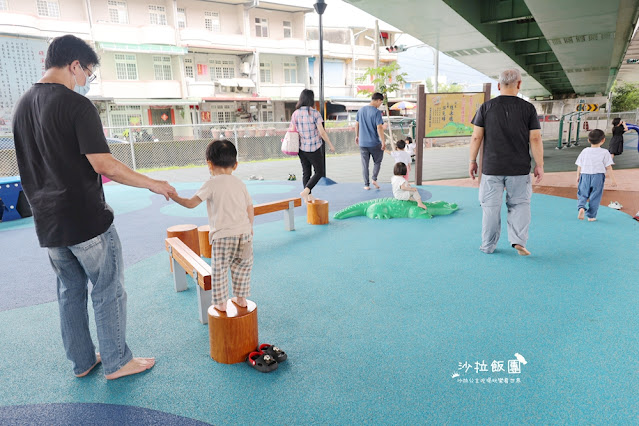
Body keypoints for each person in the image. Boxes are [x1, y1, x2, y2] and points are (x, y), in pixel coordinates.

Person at [12, 35, 174, 379]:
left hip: (48, 223)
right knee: (107, 288)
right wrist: (154, 183)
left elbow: (27, 166)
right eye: (87, 73)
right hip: (85, 220)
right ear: (74, 65)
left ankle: (83, 362)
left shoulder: (22, 106)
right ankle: (117, 361)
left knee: (70, 292)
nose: (86, 80)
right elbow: (104, 164)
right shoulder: (76, 106)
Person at [169, 140, 254, 312]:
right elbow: (249, 207)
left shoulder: (211, 183)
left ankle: (221, 303)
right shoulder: (240, 183)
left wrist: (174, 196)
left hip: (223, 236)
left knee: (220, 270)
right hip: (244, 234)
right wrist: (249, 227)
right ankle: (241, 299)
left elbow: (191, 203)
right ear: (235, 165)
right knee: (242, 266)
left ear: (209, 163)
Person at [468, 68, 544, 256]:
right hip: (519, 168)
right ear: (519, 84)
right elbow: (535, 139)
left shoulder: (486, 107)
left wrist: (472, 161)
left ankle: (488, 245)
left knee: (490, 208)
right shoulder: (528, 109)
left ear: (498, 85)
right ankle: (518, 241)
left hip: (492, 168)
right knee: (520, 205)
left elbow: (476, 137)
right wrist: (539, 165)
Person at [291, 89, 335, 203]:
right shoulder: (314, 113)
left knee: (306, 172)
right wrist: (330, 144)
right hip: (313, 148)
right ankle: (306, 191)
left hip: (301, 148)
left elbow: (292, 130)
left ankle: (308, 197)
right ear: (311, 99)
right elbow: (322, 132)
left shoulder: (295, 113)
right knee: (319, 171)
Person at [576, 129, 617, 221]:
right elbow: (609, 167)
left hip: (585, 175)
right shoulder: (605, 152)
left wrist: (578, 176)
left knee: (582, 193)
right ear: (603, 140)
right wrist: (613, 180)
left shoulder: (585, 151)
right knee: (595, 195)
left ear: (588, 140)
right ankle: (591, 216)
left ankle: (581, 207)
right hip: (598, 176)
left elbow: (580, 165)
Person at [356, 92, 386, 190]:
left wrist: (357, 136)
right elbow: (379, 128)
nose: (380, 105)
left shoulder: (361, 110)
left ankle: (366, 185)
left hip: (362, 143)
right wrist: (383, 141)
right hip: (374, 143)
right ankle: (374, 178)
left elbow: (356, 124)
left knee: (365, 164)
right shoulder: (377, 112)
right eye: (380, 103)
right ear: (378, 100)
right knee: (377, 161)